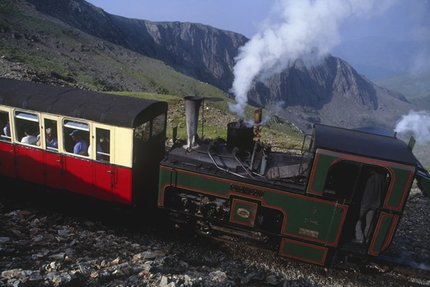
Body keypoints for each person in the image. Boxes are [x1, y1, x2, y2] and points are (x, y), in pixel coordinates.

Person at [353, 168, 386, 244]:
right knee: (369, 223)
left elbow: (364, 189)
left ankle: (360, 238)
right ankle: (367, 239)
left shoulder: (371, 178)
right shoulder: (382, 179)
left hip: (366, 203)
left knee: (358, 219)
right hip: (376, 204)